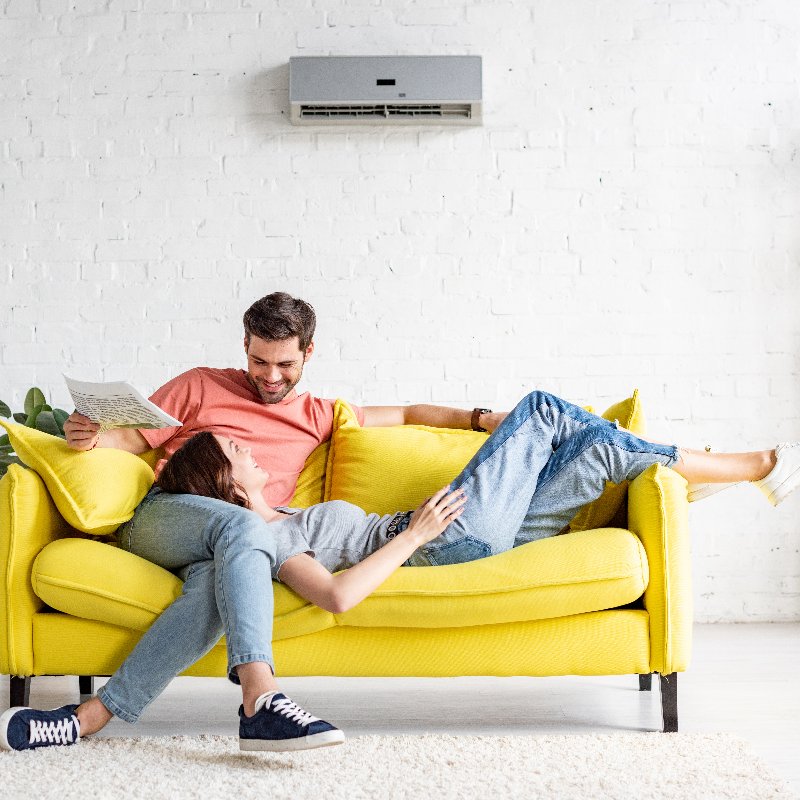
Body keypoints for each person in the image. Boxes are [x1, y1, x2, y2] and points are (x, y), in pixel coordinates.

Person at [0, 292, 512, 753]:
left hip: (239, 544)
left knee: (216, 588)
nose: (270, 376)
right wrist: (90, 438)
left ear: (308, 353)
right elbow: (131, 442)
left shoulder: (317, 413)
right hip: (168, 517)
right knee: (247, 529)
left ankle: (86, 719)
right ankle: (259, 699)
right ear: (244, 345)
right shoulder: (199, 386)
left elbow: (403, 413)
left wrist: (480, 418)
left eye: (285, 363)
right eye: (258, 360)